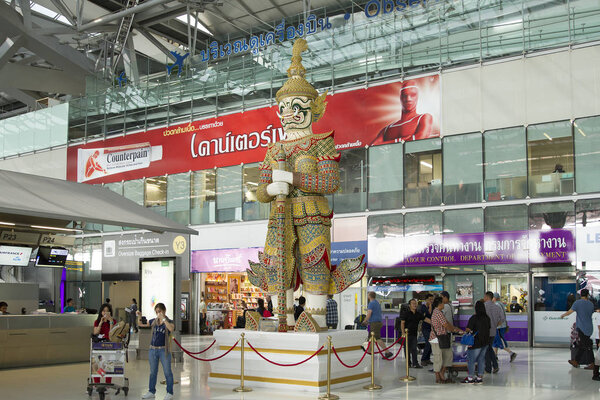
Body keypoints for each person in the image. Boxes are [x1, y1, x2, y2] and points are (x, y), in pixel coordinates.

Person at [370, 80, 434, 145]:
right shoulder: (387, 129)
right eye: (405, 95)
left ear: (417, 97)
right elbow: (373, 146)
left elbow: (421, 138)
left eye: (412, 95)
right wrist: (404, 139)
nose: (408, 99)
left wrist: (386, 143)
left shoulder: (424, 118)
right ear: (400, 98)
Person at [137, 303, 175, 400]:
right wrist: (139, 316)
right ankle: (151, 391)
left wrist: (164, 319)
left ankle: (169, 392)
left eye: (160, 311)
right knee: (153, 372)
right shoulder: (153, 322)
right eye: (157, 312)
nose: (158, 313)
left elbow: (171, 328)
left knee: (167, 372)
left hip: (164, 350)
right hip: (153, 349)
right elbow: (141, 324)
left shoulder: (169, 321)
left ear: (164, 311)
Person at [430, 296, 463, 383]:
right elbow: (446, 325)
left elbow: (447, 323)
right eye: (442, 302)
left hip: (443, 338)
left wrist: (456, 329)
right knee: (438, 357)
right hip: (436, 339)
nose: (444, 303)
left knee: (447, 356)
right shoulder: (437, 312)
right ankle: (438, 377)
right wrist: (454, 330)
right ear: (440, 304)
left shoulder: (440, 312)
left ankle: (442, 372)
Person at [561, 289, 596, 369]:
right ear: (587, 295)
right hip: (589, 327)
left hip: (581, 328)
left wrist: (563, 315)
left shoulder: (577, 303)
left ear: (581, 295)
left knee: (587, 346)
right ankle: (576, 361)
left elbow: (570, 311)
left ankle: (592, 363)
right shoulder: (591, 304)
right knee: (583, 345)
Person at [462, 300, 491, 384]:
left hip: (475, 342)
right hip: (485, 342)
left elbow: (468, 329)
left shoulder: (474, 318)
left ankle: (470, 378)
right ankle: (479, 377)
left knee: (471, 360)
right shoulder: (487, 318)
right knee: (481, 360)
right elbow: (489, 328)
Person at [401, 299, 430, 369]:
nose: (415, 305)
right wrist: (403, 333)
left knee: (414, 349)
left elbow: (425, 319)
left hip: (414, 334)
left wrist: (434, 323)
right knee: (407, 349)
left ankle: (415, 363)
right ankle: (408, 363)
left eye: (415, 303)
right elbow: (402, 323)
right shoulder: (406, 313)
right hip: (407, 334)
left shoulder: (418, 313)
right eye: (413, 303)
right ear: (409, 305)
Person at [362, 292, 393, 358]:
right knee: (371, 338)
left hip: (374, 323)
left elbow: (369, 313)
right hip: (378, 322)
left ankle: (387, 352)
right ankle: (369, 351)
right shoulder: (377, 302)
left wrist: (365, 320)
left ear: (369, 296)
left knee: (377, 338)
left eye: (368, 295)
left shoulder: (371, 303)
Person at [492, 293, 517, 362]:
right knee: (495, 341)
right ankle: (495, 356)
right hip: (501, 325)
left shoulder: (496, 305)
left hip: (499, 326)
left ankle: (511, 353)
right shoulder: (501, 304)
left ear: (495, 298)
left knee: (499, 341)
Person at [484, 291, 503, 373]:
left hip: (484, 331)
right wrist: (495, 325)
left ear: (487, 297)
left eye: (485, 297)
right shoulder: (497, 307)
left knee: (486, 349)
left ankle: (488, 368)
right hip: (493, 331)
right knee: (489, 348)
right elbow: (502, 319)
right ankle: (495, 366)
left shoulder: (483, 306)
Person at [419, 294, 434, 366]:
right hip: (425, 328)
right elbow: (428, 314)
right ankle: (423, 359)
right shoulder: (423, 307)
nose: (431, 301)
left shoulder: (433, 306)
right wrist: (430, 306)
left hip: (432, 328)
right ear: (426, 300)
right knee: (428, 342)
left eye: (432, 299)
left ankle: (427, 358)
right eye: (430, 299)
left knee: (431, 343)